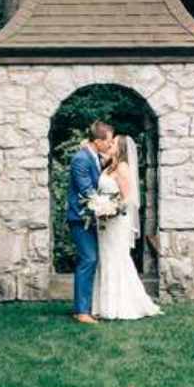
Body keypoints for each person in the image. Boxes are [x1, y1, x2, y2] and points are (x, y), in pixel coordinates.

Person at [91, 134, 161, 320]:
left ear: (120, 148)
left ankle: (120, 305)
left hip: (116, 221)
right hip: (104, 222)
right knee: (105, 259)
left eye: (113, 143)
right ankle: (103, 305)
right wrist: (100, 206)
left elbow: (128, 198)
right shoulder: (108, 166)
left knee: (117, 259)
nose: (110, 144)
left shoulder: (122, 167)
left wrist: (111, 209)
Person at [66, 120, 113, 324]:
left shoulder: (93, 157)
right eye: (108, 141)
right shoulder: (81, 159)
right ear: (97, 140)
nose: (110, 145)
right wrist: (107, 206)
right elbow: (87, 190)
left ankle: (84, 308)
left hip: (90, 218)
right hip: (80, 217)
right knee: (88, 259)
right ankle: (82, 311)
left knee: (90, 260)